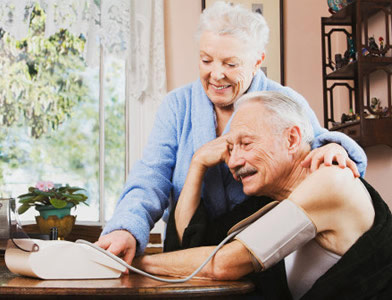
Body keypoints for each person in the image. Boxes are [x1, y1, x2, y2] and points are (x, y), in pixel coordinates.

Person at [96, 1, 367, 265]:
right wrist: (127, 227)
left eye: (230, 64)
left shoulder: (282, 99)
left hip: (258, 251)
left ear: (257, 60)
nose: (216, 74)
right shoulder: (178, 105)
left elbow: (313, 148)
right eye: (206, 60)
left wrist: (337, 148)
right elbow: (150, 175)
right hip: (187, 245)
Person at [133, 91, 392, 300]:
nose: (233, 161)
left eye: (245, 144)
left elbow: (223, 263)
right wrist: (198, 163)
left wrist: (133, 264)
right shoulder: (271, 200)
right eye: (230, 148)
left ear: (292, 140)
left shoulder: (330, 180)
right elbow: (193, 246)